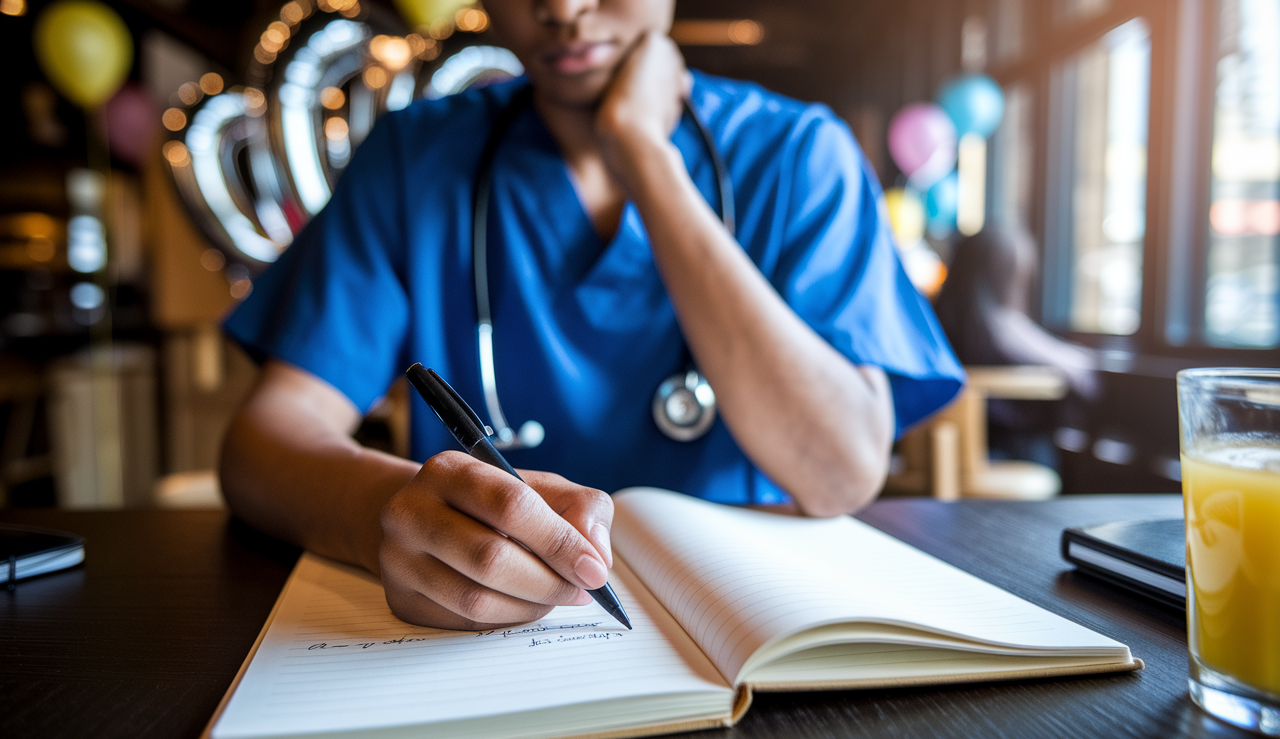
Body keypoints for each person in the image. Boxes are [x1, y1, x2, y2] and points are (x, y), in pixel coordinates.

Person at [219, 0, 964, 631]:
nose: (564, 11)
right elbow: (263, 447)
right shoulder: (416, 158)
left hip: (746, 623)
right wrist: (387, 512)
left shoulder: (799, 155)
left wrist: (643, 155)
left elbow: (840, 474)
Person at [932, 223, 1098, 463]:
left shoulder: (934, 322)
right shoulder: (1005, 328)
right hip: (1001, 456)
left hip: (937, 456)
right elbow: (1082, 372)